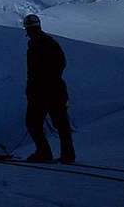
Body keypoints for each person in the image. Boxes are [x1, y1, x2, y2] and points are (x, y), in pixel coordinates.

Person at [23, 14, 76, 163]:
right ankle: (68, 154)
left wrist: (34, 87)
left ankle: (43, 152)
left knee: (33, 122)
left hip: (40, 91)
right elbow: (61, 63)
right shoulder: (50, 43)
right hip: (56, 89)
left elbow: (33, 71)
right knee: (61, 123)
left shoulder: (35, 45)